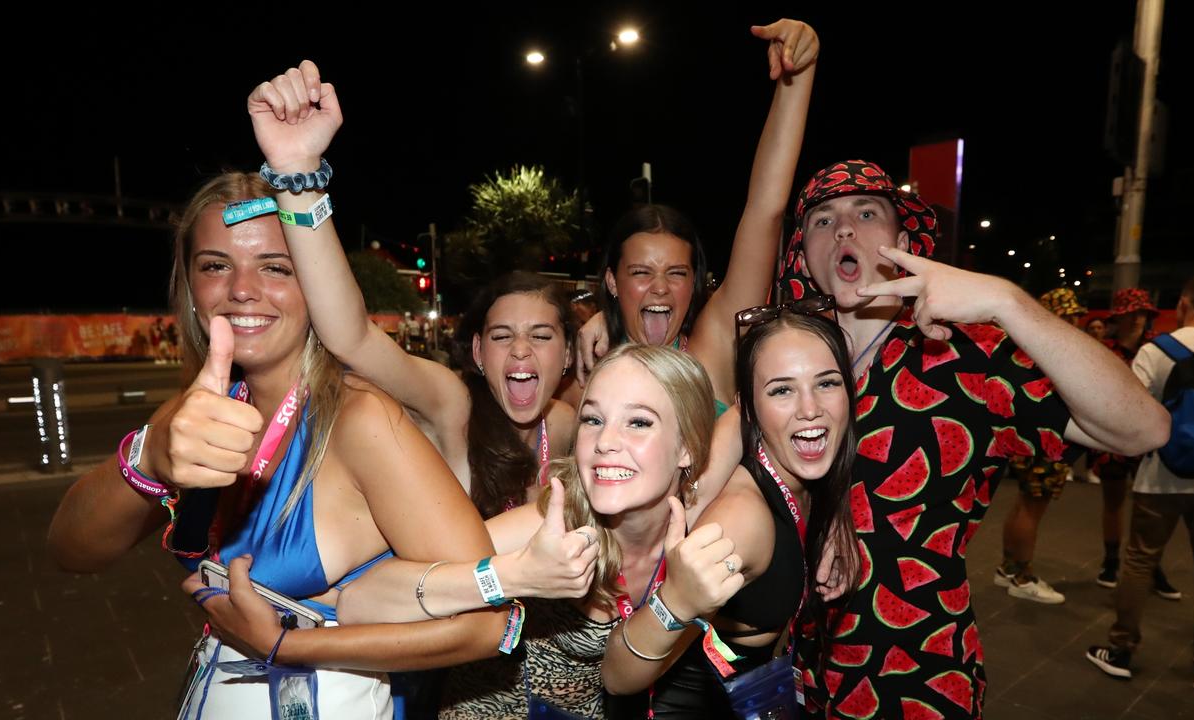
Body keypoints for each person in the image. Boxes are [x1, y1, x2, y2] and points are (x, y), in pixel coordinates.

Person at [47, 171, 513, 719]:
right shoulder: (201, 414)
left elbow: (489, 622)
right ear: (190, 287)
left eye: (275, 268)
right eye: (216, 265)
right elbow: (72, 551)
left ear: (313, 283)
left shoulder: (360, 421)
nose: (242, 289)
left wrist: (283, 645)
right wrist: (149, 455)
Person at [775, 159, 1169, 718]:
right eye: (822, 219)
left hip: (916, 679)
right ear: (806, 255)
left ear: (904, 239)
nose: (843, 228)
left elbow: (1143, 429)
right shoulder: (791, 358)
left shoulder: (967, 354)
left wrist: (1007, 302)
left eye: (867, 213)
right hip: (794, 676)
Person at [246, 62, 579, 519]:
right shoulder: (452, 405)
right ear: (479, 353)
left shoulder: (568, 425)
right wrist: (298, 174)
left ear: (567, 356)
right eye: (502, 336)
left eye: (541, 336)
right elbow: (352, 338)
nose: (521, 350)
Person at [600, 302, 860, 718]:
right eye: (781, 389)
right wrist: (677, 601)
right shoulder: (742, 520)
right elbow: (617, 675)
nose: (810, 408)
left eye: (827, 383)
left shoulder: (804, 472)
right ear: (748, 407)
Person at [433, 342, 717, 719]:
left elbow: (623, 677)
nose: (605, 442)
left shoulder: (695, 551)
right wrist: (513, 575)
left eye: (638, 422)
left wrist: (680, 600)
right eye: (593, 420)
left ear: (687, 447)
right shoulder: (553, 523)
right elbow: (388, 590)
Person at [575, 17, 819, 413]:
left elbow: (765, 209)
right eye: (640, 272)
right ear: (612, 281)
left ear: (695, 282)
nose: (660, 288)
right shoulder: (584, 372)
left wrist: (797, 74)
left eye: (677, 273)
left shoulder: (713, 346)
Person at [1086, 271, 1194, 696]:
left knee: (1139, 561)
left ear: (1183, 306)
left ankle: (1121, 650)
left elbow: (1129, 409)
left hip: (1162, 476)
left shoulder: (1160, 351)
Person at [992, 288, 1087, 604]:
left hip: (1028, 438)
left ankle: (1008, 568)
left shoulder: (1027, 346)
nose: (1075, 320)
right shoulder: (1052, 349)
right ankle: (1021, 576)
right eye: (1069, 314)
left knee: (1024, 504)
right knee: (1032, 507)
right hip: (1047, 441)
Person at [1092, 288, 1181, 599]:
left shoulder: (1157, 349)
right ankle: (1111, 560)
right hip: (1113, 441)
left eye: (1143, 313)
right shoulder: (1105, 350)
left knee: (1151, 509)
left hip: (1149, 443)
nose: (1139, 319)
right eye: (1134, 313)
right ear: (1121, 316)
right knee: (1113, 502)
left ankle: (1150, 566)